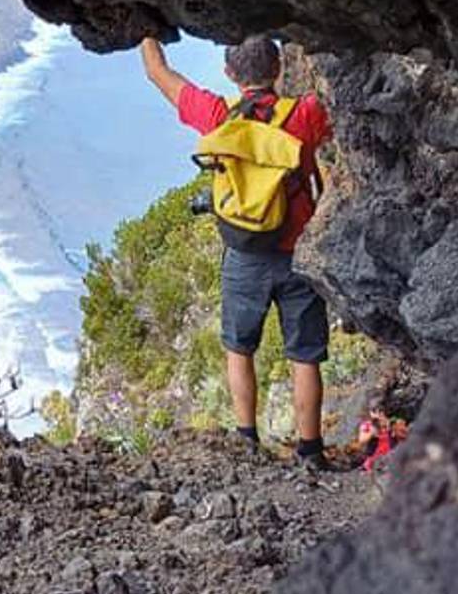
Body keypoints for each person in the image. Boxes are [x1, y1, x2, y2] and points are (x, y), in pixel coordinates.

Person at [139, 35, 333, 467]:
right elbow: (337, 123)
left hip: (245, 255)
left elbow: (158, 73)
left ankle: (247, 442)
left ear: (230, 74)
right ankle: (311, 451)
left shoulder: (217, 116)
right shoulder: (305, 115)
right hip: (299, 252)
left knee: (239, 348)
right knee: (304, 355)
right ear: (280, 67)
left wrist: (145, 25)